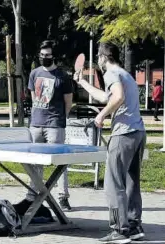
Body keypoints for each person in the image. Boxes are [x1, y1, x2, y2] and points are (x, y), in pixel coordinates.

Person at [74, 42, 146, 243]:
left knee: (113, 184)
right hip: (138, 132)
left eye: (98, 57)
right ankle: (133, 226)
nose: (98, 60)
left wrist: (102, 116)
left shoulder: (111, 73)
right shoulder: (125, 74)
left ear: (103, 57)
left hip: (123, 134)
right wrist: (83, 83)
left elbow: (118, 98)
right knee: (131, 182)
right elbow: (108, 97)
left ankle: (119, 230)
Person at [13, 40, 73, 216]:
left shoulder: (62, 76)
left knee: (58, 162)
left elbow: (68, 102)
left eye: (47, 55)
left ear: (54, 56)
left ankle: (63, 197)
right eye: (42, 55)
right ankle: (33, 195)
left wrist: (61, 119)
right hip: (36, 124)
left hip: (55, 124)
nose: (44, 58)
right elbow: (34, 97)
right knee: (34, 162)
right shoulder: (34, 73)